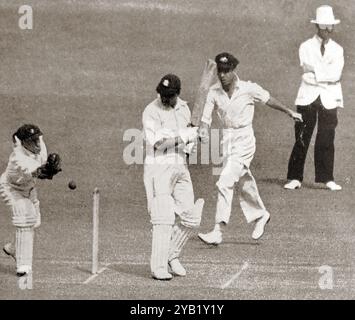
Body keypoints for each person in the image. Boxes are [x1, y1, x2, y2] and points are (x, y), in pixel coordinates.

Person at [197, 52, 302, 245]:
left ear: (233, 70)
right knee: (242, 179)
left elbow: (268, 99)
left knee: (225, 181)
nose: (222, 75)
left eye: (226, 71)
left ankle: (218, 230)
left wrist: (289, 112)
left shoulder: (248, 88)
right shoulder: (213, 91)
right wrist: (203, 131)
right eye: (220, 71)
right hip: (227, 141)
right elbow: (205, 118)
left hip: (244, 141)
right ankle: (261, 214)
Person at [142, 74, 204, 280]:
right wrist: (187, 135)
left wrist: (196, 138)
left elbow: (187, 141)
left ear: (178, 94)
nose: (165, 98)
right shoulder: (151, 112)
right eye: (162, 94)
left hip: (180, 165)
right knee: (163, 218)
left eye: (169, 95)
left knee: (191, 215)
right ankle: (158, 267)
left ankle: (171, 254)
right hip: (158, 168)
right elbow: (159, 144)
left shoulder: (184, 108)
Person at [284, 5, 344, 191]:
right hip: (307, 97)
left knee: (326, 136)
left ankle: (327, 178)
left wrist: (316, 71)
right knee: (302, 136)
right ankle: (295, 177)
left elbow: (336, 75)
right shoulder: (306, 46)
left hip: (329, 98)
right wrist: (323, 75)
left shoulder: (338, 49)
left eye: (330, 27)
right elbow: (305, 73)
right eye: (325, 27)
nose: (328, 31)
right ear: (317, 26)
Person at [0, 124, 62, 278]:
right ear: (22, 142)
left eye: (37, 139)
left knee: (34, 222)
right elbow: (37, 172)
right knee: (25, 216)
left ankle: (14, 248)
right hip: (12, 189)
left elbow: (44, 171)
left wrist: (52, 168)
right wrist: (46, 170)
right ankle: (23, 264)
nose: (37, 144)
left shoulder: (40, 144)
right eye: (31, 141)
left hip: (29, 189)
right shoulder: (18, 157)